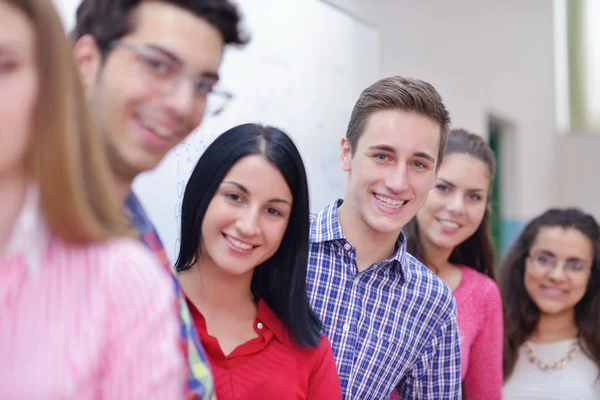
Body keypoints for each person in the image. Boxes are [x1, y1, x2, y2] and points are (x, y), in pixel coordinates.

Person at [0, 0, 184, 397]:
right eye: (159, 66)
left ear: (48, 86)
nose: (181, 104)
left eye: (3, 66)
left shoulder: (122, 283)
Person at [72, 1, 248, 398]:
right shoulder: (20, 212)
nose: (183, 105)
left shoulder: (135, 230)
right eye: (158, 65)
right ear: (86, 61)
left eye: (203, 85)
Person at [306, 76, 461, 399]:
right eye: (382, 156)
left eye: (419, 164)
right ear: (347, 153)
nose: (398, 182)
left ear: (435, 173)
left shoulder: (433, 303)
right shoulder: (281, 245)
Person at [175, 123, 343, 399]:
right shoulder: (141, 307)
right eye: (234, 197)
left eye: (273, 211)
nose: (249, 226)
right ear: (201, 195)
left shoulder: (310, 351)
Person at [402, 128, 503, 399]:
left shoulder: (482, 294)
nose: (457, 207)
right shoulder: (377, 268)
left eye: (474, 196)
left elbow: (486, 395)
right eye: (444, 188)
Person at [501, 208, 600, 399]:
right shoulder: (493, 340)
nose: (556, 275)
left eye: (575, 265)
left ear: (593, 276)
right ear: (523, 262)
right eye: (544, 259)